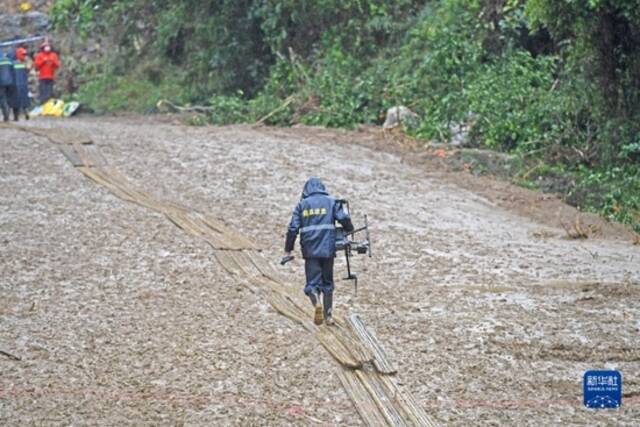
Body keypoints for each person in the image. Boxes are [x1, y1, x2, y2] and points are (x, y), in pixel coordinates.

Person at [284, 177, 354, 326]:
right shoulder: (331, 201)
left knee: (312, 283)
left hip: (310, 250)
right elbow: (343, 218)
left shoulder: (302, 205)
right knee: (328, 282)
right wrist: (349, 229)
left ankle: (316, 300)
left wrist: (288, 249)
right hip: (328, 248)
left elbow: (292, 229)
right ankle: (328, 316)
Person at [8, 48, 30, 121]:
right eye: (23, 55)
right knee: (23, 100)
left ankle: (17, 116)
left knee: (16, 101)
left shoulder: (13, 63)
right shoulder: (23, 64)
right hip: (22, 84)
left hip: (16, 84)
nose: (24, 56)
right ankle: (24, 113)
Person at [0, 52, 15, 122]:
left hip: (1, 83)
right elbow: (13, 72)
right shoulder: (10, 61)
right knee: (8, 98)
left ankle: (6, 116)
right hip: (10, 83)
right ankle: (8, 113)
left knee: (3, 99)